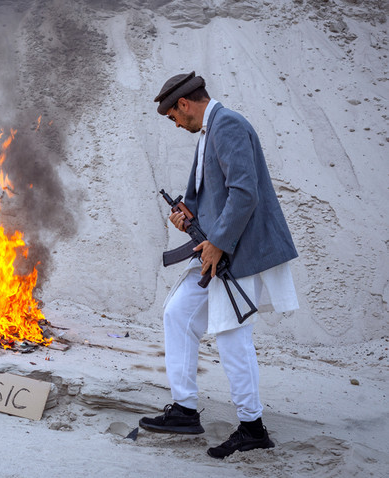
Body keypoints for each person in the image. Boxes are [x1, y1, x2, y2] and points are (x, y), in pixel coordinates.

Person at [140, 71, 299, 458]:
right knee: (178, 314)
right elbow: (209, 195)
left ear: (184, 104)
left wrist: (218, 243)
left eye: (173, 117)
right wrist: (186, 214)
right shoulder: (209, 132)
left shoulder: (227, 125)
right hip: (215, 250)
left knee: (231, 336)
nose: (176, 124)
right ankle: (184, 410)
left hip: (236, 253)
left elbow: (244, 194)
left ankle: (252, 427)